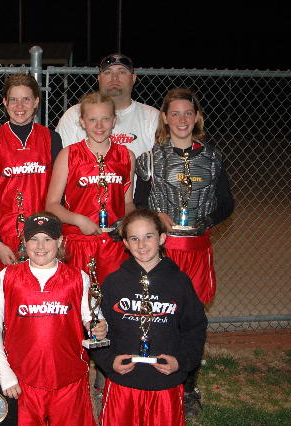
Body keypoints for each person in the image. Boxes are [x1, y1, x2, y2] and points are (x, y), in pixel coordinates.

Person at [134, 87, 234, 417]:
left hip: (196, 249)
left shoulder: (212, 157)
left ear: (197, 117)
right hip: (163, 253)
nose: (181, 119)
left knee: (191, 319)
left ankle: (189, 387)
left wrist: (208, 219)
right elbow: (139, 202)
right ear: (164, 117)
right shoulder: (150, 159)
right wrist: (155, 216)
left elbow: (227, 203)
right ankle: (155, 379)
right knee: (158, 316)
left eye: (188, 113)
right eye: (174, 113)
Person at [0, 212, 106, 425]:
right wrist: (4, 373)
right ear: (24, 241)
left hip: (69, 379)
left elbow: (92, 317)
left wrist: (100, 328)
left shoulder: (78, 277)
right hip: (22, 380)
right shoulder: (7, 277)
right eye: (34, 239)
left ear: (60, 241)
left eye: (48, 239)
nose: (41, 246)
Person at [91, 209, 207, 426]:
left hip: (165, 383)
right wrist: (108, 361)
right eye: (134, 238)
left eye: (148, 236)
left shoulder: (180, 282)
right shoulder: (113, 283)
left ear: (162, 238)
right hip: (123, 382)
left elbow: (195, 328)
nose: (141, 244)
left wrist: (181, 362)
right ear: (125, 243)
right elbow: (96, 330)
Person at [0, 73, 63, 278]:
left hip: (43, 236)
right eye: (13, 99)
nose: (20, 106)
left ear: (36, 102)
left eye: (26, 99)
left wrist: (55, 235)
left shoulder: (51, 138)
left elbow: (61, 196)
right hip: (5, 237)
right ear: (5, 102)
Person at [46, 92, 135, 283]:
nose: (99, 126)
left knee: (115, 296)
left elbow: (128, 202)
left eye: (105, 119)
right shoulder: (69, 155)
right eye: (92, 119)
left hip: (114, 245)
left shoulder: (126, 156)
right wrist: (79, 220)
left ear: (114, 121)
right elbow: (52, 205)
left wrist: (126, 222)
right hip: (78, 242)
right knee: (80, 297)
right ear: (82, 122)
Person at [55, 53, 159, 158]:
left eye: (122, 72)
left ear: (133, 78)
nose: (114, 77)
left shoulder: (151, 117)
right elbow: (62, 161)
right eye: (108, 72)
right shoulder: (74, 114)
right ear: (99, 77)